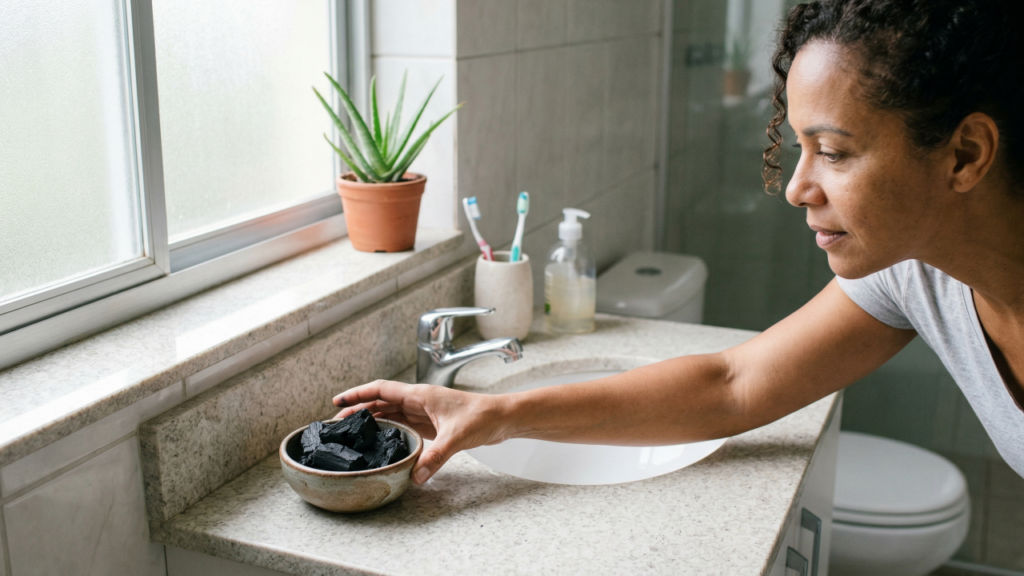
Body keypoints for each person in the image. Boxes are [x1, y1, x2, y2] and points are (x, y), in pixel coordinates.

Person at [335, 0, 1024, 485]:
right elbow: (732, 384)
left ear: (964, 155)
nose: (797, 187)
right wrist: (494, 414)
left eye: (835, 152)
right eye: (800, 147)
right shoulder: (913, 274)